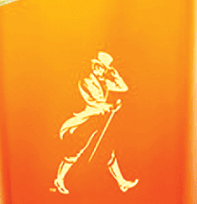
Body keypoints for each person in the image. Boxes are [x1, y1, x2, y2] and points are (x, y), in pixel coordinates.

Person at [52, 51, 138, 194]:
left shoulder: (105, 83)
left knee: (109, 152)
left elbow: (124, 88)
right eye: (97, 66)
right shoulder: (86, 81)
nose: (99, 69)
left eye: (102, 67)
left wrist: (115, 74)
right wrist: (111, 106)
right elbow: (95, 103)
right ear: (93, 66)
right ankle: (59, 179)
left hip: (100, 122)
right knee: (74, 151)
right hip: (86, 121)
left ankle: (121, 183)